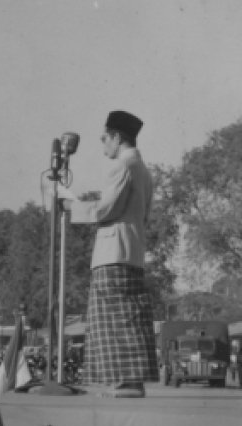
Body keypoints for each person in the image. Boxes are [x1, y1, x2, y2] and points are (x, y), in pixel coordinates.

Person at [56, 110, 158, 397]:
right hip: (132, 252)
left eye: (104, 138)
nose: (103, 145)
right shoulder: (143, 169)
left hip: (113, 254)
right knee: (127, 317)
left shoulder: (123, 167)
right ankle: (128, 380)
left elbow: (107, 209)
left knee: (112, 320)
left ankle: (125, 381)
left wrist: (70, 208)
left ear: (116, 137)